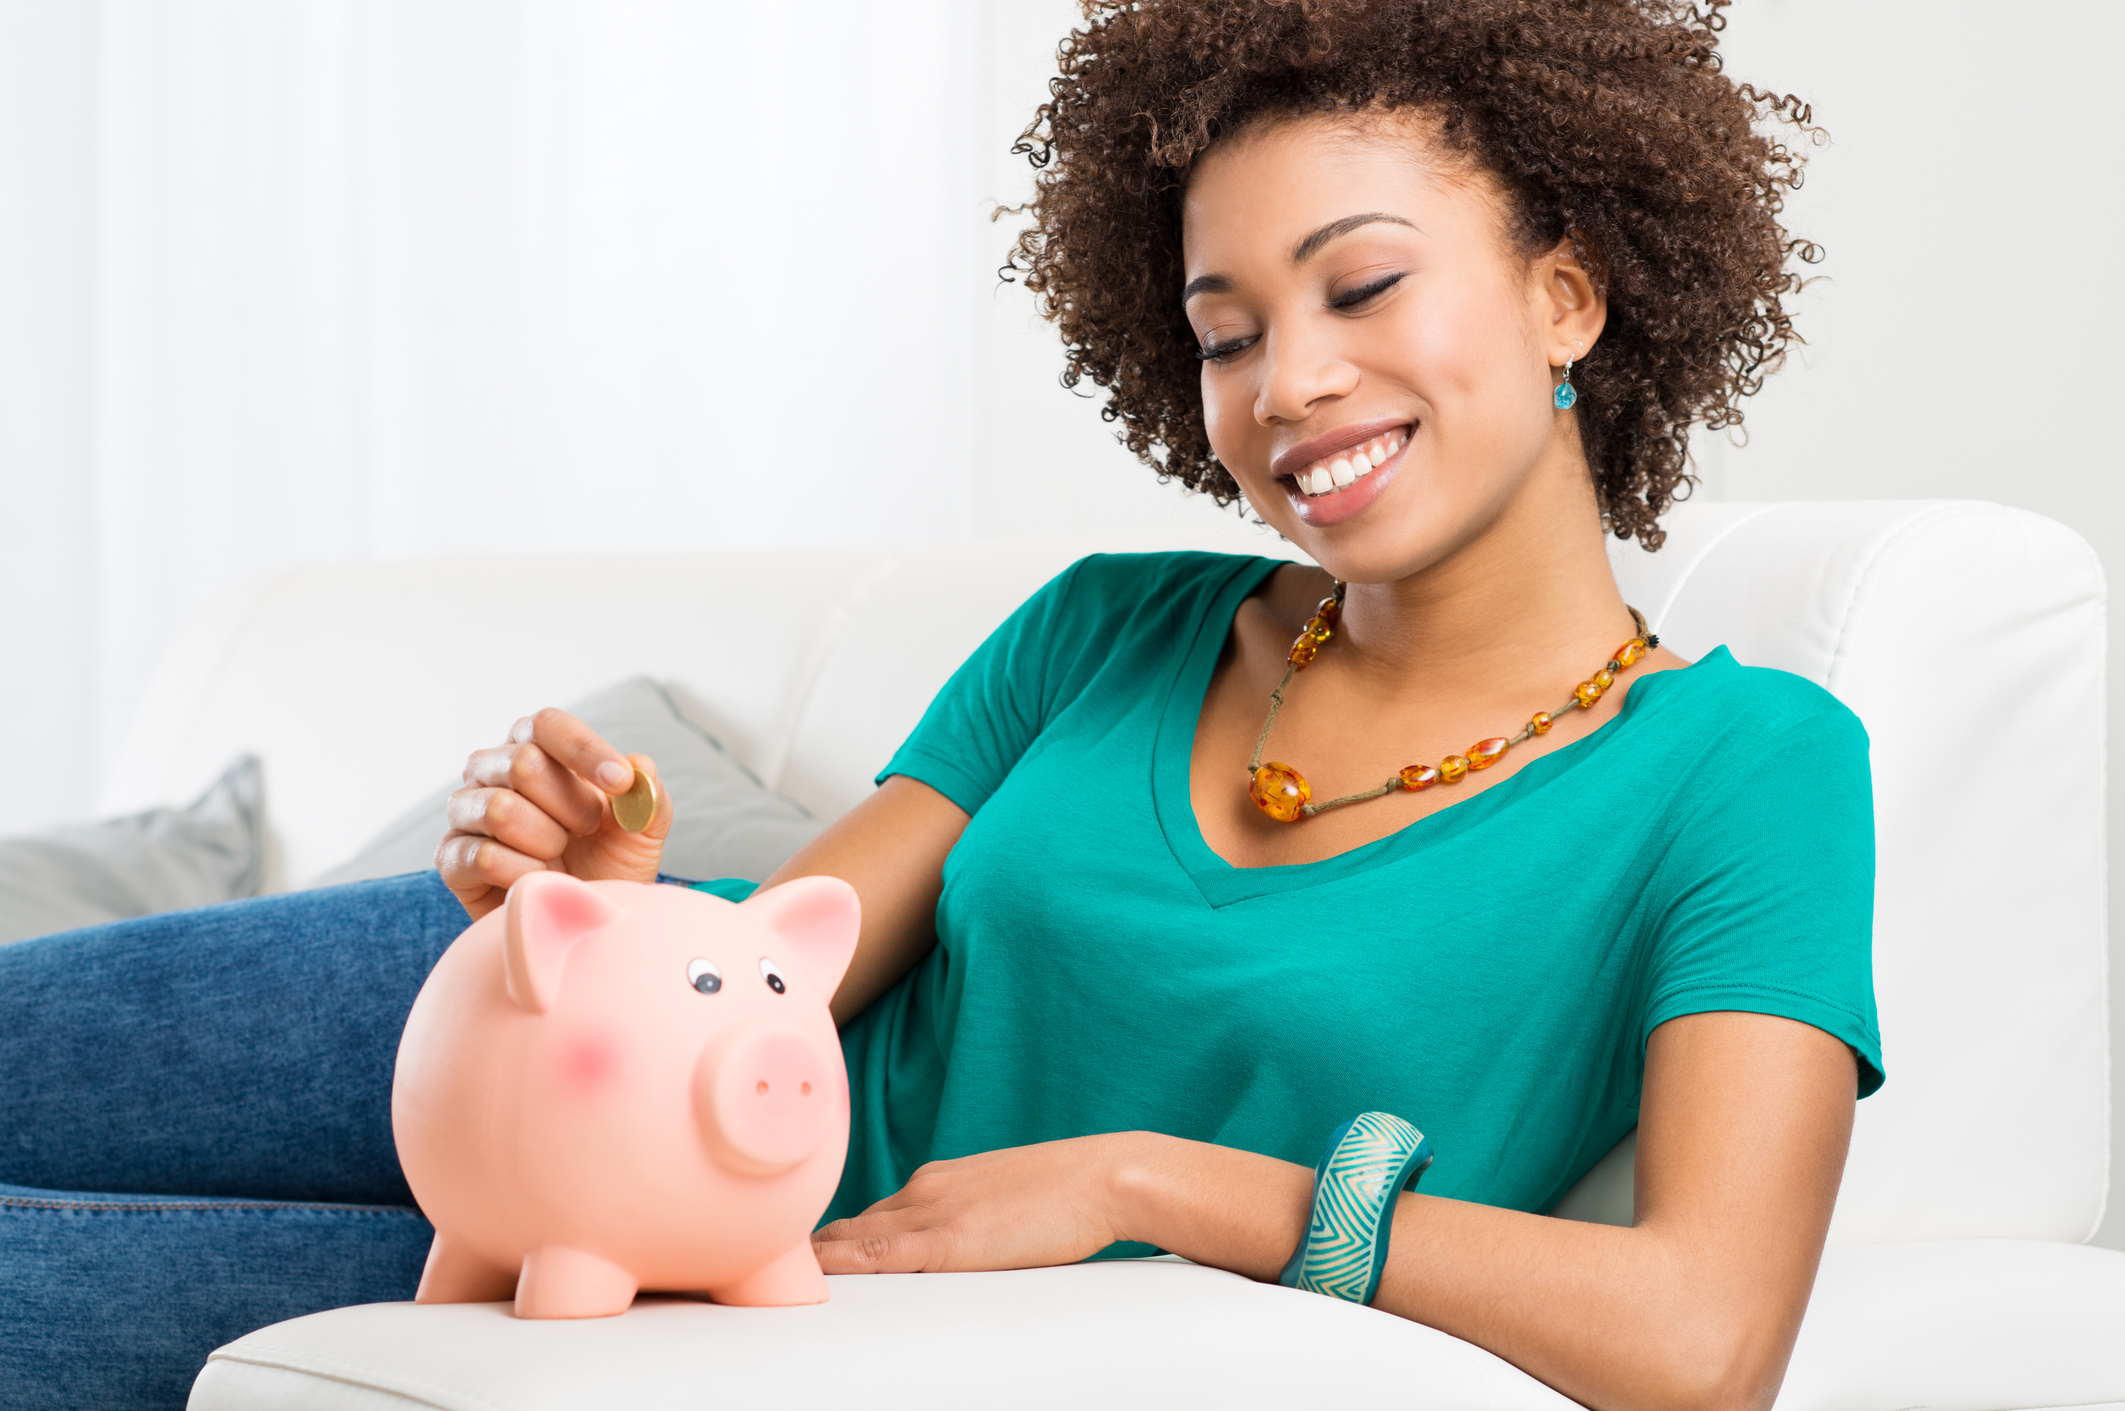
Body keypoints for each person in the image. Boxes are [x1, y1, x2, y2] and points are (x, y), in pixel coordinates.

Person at [0, 2, 1878, 1409]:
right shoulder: (1105, 631)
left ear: (1566, 298)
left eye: (1362, 286)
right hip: (578, 1050)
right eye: (1224, 333)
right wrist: (633, 908)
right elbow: (788, 979)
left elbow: (1699, 1334)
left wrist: (1150, 1184)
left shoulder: (1748, 772)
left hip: (750, 1288)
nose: (1288, 382)